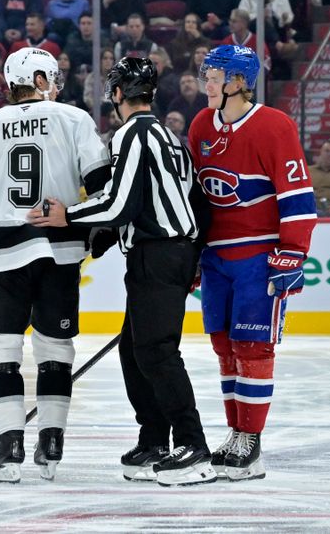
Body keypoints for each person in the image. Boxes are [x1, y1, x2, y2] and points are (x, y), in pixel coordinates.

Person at [27, 55, 215, 487]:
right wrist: (192, 253)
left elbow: (119, 204)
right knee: (134, 349)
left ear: (116, 95)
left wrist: (68, 216)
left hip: (158, 254)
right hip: (169, 253)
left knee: (156, 351)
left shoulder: (131, 134)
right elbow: (193, 200)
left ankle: (193, 445)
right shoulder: (168, 135)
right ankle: (154, 440)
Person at [0, 47, 110, 483]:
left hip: (4, 253)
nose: (56, 85)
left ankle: (9, 446)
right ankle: (52, 442)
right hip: (61, 252)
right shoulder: (75, 119)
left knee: (2, 349)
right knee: (55, 349)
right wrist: (99, 234)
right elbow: (101, 189)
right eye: (52, 78)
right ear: (40, 80)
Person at [185, 45, 316, 481]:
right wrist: (189, 252)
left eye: (215, 75)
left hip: (258, 256)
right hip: (215, 256)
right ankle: (234, 433)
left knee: (253, 348)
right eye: (206, 74)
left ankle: (251, 442)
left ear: (239, 82)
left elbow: (297, 196)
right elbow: (195, 197)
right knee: (224, 348)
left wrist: (292, 251)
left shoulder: (274, 126)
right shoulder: (202, 124)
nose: (207, 82)